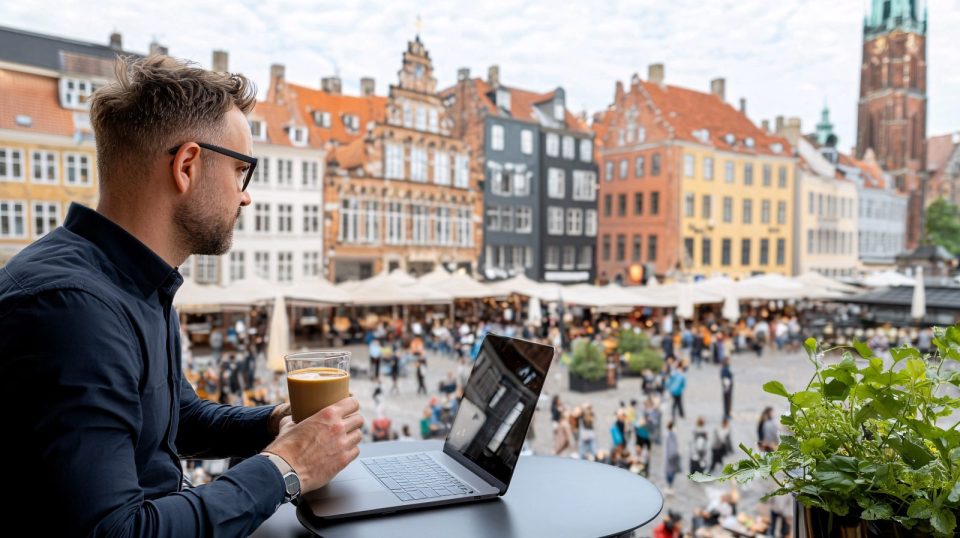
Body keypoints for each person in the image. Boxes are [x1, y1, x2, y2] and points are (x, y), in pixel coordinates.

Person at [0, 56, 364, 536]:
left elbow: (177, 416)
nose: (245, 196)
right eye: (241, 170)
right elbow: (116, 531)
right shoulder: (72, 309)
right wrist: (285, 466)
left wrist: (276, 423)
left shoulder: (136, 281)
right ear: (187, 165)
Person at [664, 421, 681, 495]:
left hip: (671, 457)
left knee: (670, 471)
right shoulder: (671, 435)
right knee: (671, 471)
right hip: (671, 457)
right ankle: (670, 485)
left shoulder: (670, 435)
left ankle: (670, 485)